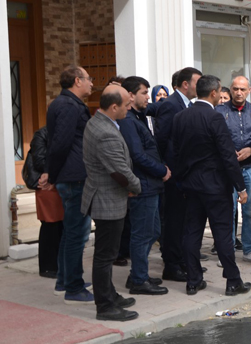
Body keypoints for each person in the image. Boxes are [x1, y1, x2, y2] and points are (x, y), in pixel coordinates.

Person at [172, 75, 251, 297]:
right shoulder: (215, 118)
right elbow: (228, 156)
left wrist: (181, 180)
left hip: (191, 186)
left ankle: (193, 280)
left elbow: (176, 153)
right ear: (215, 93)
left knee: (192, 233)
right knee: (223, 234)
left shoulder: (180, 117)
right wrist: (241, 187)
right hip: (216, 187)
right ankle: (233, 281)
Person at [81, 85, 141, 321]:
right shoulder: (104, 131)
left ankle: (110, 295)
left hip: (107, 196)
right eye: (127, 104)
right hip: (107, 200)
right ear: (114, 106)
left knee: (107, 253)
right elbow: (119, 171)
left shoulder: (99, 121)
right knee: (105, 256)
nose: (130, 107)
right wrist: (136, 186)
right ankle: (105, 306)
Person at [46, 66, 93, 304]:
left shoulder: (67, 104)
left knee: (71, 232)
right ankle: (73, 287)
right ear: (77, 81)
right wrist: (52, 175)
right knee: (77, 234)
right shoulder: (67, 106)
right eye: (88, 79)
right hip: (74, 178)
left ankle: (65, 281)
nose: (91, 84)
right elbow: (60, 144)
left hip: (71, 176)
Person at [119, 76, 170, 296]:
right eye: (144, 92)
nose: (148, 97)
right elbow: (137, 156)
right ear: (130, 96)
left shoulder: (139, 117)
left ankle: (138, 273)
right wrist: (162, 170)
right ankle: (139, 280)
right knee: (142, 233)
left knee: (153, 231)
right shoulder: (129, 121)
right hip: (144, 185)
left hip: (152, 185)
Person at [216, 76, 251, 266]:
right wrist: (226, 150)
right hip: (227, 171)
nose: (239, 92)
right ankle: (227, 252)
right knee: (228, 211)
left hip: (249, 168)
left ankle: (248, 250)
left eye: (243, 89)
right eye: (235, 89)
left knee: (248, 211)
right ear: (230, 90)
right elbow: (213, 138)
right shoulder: (220, 111)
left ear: (249, 91)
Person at [154, 66, 202, 282]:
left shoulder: (188, 104)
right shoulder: (170, 105)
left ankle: (183, 259)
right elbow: (163, 140)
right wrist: (168, 169)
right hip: (173, 174)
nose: (199, 87)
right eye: (196, 82)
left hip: (185, 174)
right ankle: (171, 264)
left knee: (183, 219)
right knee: (173, 220)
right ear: (185, 84)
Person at [27, 127, 63, 278]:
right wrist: (53, 176)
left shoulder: (64, 133)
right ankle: (48, 267)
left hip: (59, 183)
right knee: (50, 226)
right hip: (46, 185)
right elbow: (40, 160)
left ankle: (58, 265)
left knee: (61, 226)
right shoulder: (42, 134)